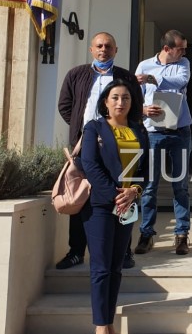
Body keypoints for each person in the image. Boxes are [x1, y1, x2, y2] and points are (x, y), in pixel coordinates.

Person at [57, 32, 143, 270]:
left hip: (118, 145)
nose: (103, 50)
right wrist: (85, 131)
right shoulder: (76, 74)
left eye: (108, 46)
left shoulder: (126, 77)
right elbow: (65, 105)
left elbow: (136, 108)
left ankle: (124, 251)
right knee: (81, 196)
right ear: (91, 50)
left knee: (123, 193)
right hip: (85, 146)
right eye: (99, 46)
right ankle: (76, 251)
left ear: (115, 50)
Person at [79, 78, 150, 334]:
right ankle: (101, 327)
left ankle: (109, 322)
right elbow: (90, 165)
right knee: (100, 268)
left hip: (127, 206)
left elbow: (145, 169)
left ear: (133, 102)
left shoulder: (139, 130)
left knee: (115, 267)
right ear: (106, 102)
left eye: (126, 98)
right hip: (100, 206)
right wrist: (115, 195)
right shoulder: (94, 128)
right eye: (115, 97)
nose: (121, 102)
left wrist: (134, 192)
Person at [134, 30, 192, 256]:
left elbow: (181, 82)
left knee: (181, 185)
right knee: (150, 186)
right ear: (167, 48)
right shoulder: (144, 65)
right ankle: (146, 234)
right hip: (153, 132)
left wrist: (154, 79)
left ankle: (182, 234)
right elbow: (135, 96)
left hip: (180, 131)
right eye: (180, 48)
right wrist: (143, 110)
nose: (184, 52)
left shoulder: (183, 63)